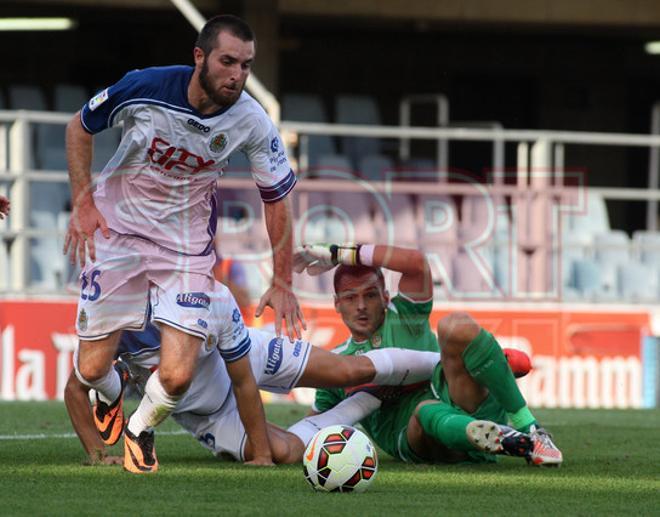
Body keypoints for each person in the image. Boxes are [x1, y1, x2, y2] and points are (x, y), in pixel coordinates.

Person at [62, 14, 304, 473]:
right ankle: (111, 397)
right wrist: (83, 202)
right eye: (228, 62)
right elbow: (80, 126)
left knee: (175, 374)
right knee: (92, 370)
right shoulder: (146, 86)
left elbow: (277, 197)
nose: (237, 75)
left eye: (246, 66)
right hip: (119, 233)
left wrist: (284, 279)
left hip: (185, 249)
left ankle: (139, 429)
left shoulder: (252, 119)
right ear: (200, 57)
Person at [64, 280, 441, 465]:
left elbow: (243, 378)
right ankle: (371, 398)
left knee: (347, 369)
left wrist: (257, 453)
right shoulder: (112, 314)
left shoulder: (208, 296)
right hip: (208, 414)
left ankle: (442, 364)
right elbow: (75, 388)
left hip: (247, 356)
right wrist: (98, 454)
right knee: (287, 453)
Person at [289, 243, 563, 466]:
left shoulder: (404, 316)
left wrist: (342, 253)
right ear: (336, 304)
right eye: (350, 298)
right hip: (415, 437)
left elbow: (417, 263)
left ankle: (529, 430)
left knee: (455, 326)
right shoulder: (338, 362)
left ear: (385, 297)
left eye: (370, 295)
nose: (361, 306)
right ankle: (500, 439)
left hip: (459, 398)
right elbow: (315, 425)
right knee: (424, 410)